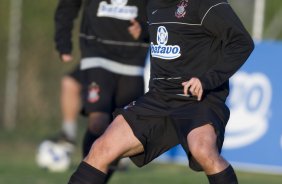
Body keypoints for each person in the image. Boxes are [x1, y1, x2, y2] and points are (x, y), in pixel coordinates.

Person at [67, 0, 255, 183]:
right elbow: (170, 36)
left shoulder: (206, 3)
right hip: (159, 98)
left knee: (203, 151)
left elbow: (242, 42)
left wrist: (207, 80)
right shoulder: (153, 4)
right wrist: (142, 32)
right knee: (101, 148)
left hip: (199, 100)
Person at [54, 0, 149, 182]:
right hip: (97, 54)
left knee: (117, 133)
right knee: (98, 123)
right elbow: (68, 5)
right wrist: (63, 42)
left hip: (133, 61)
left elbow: (165, 12)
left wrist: (144, 30)